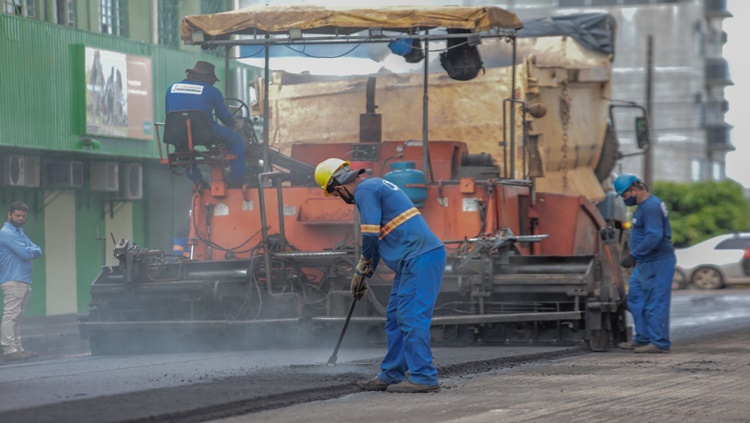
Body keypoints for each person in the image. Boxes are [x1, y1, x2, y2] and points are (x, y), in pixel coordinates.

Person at [314, 158, 446, 393]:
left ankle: (424, 376)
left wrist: (363, 265)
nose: (338, 198)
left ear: (340, 186)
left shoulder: (365, 190)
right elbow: (376, 239)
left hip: (420, 258)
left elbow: (371, 235)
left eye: (334, 193)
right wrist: (364, 274)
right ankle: (392, 373)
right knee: (395, 316)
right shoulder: (374, 187)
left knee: (410, 316)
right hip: (412, 261)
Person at [615, 174, 676, 353]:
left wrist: (633, 255)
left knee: (655, 301)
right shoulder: (643, 207)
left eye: (625, 196)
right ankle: (643, 338)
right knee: (636, 298)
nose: (625, 200)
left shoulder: (651, 206)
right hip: (644, 262)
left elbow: (654, 235)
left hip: (658, 261)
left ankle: (659, 342)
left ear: (634, 190)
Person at [165, 61, 246, 188]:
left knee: (182, 148)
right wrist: (235, 123)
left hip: (177, 133)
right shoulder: (212, 91)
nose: (213, 82)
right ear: (206, 77)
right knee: (236, 140)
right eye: (212, 79)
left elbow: (169, 114)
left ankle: (197, 181)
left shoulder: (171, 88)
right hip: (206, 132)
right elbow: (224, 117)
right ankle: (235, 178)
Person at [0, 201, 43, 362]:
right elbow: (27, 254)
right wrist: (30, 250)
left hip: (23, 280)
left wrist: (30, 250)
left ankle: (18, 348)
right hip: (12, 279)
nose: (20, 218)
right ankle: (9, 349)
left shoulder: (20, 232)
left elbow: (38, 250)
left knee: (17, 316)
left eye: (23, 216)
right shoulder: (6, 233)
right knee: (11, 315)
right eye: (17, 215)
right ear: (9, 215)